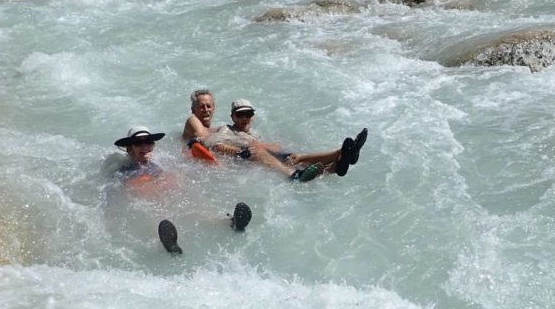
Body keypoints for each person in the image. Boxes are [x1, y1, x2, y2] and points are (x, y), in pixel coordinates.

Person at [113, 126, 252, 254]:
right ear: (129, 148)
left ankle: (229, 222)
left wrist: (193, 149)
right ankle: (167, 244)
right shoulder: (123, 170)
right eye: (138, 143)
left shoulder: (162, 161)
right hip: (144, 193)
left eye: (148, 142)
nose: (144, 146)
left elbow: (185, 163)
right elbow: (114, 190)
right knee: (152, 209)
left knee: (190, 201)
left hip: (161, 186)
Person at [203, 99, 367, 182]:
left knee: (295, 158)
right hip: (249, 160)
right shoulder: (226, 129)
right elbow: (213, 144)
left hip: (269, 159)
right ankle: (293, 175)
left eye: (248, 114)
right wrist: (240, 152)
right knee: (259, 151)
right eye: (240, 115)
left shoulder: (254, 134)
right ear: (232, 116)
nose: (245, 118)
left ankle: (341, 157)